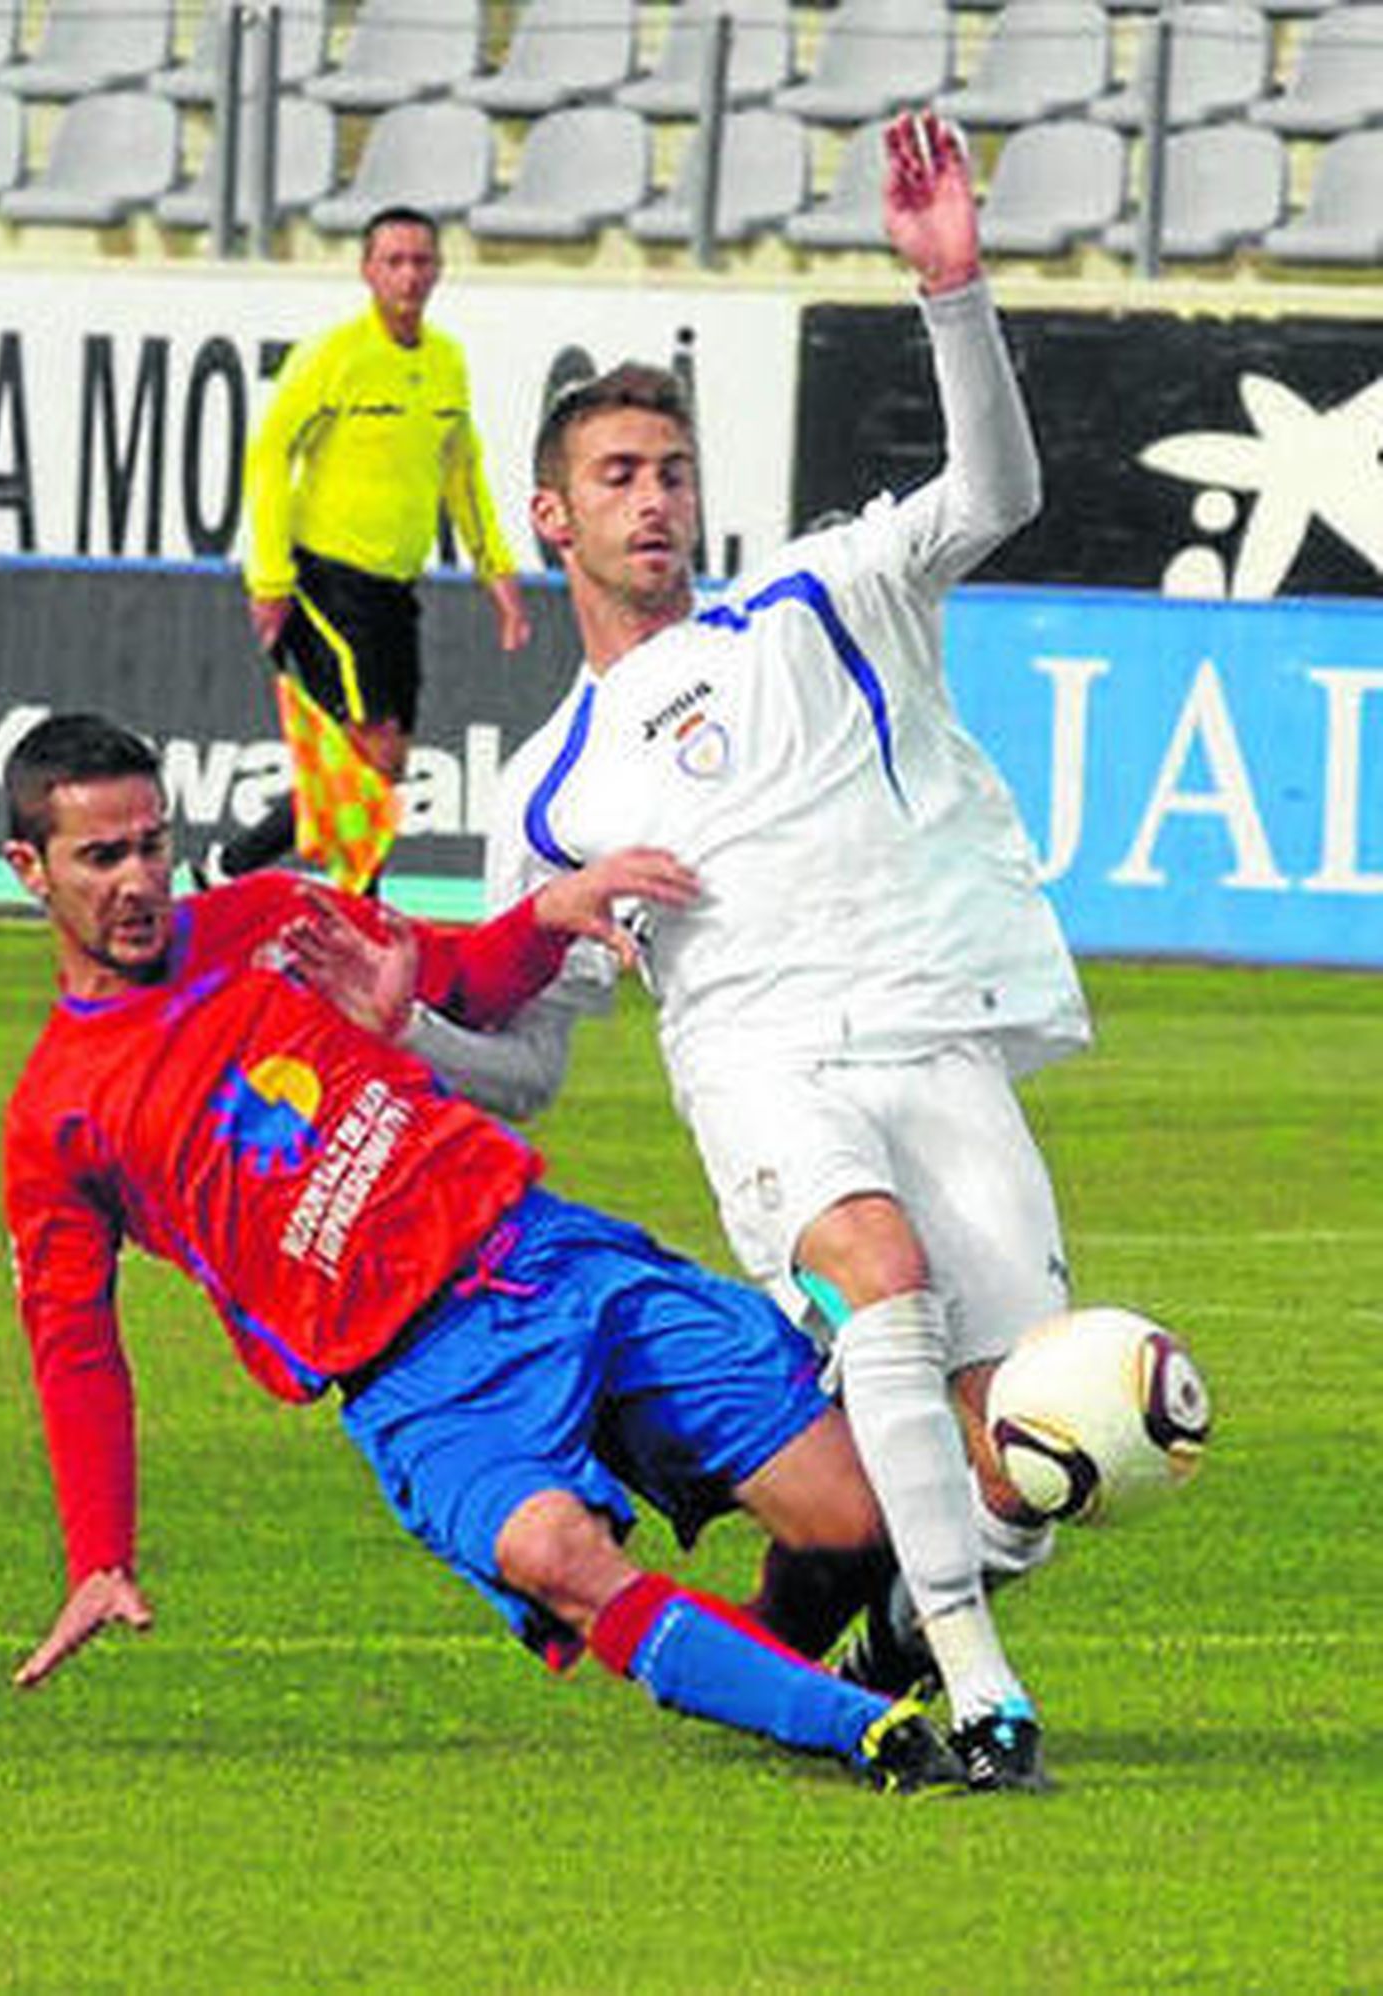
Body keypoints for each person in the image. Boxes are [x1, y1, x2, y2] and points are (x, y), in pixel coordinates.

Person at [397, 111, 1091, 1792]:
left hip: (933, 1032)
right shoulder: (550, 787)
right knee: (879, 1275)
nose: (654, 499)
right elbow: (527, 1060)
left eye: (672, 471)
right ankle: (984, 1694)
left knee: (1034, 1448)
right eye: (617, 477)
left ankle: (884, 1636)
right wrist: (401, 1012)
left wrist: (954, 293)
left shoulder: (818, 597)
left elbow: (998, 495)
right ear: (552, 517)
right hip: (763, 1066)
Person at [0, 710, 967, 1797]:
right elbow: (75, 1343)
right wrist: (100, 1553)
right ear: (30, 867)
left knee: (853, 1516)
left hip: (544, 1259)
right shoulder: (54, 1119)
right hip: (417, 1377)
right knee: (553, 1554)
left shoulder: (274, 917)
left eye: (152, 845)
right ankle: (866, 1730)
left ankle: (773, 1668)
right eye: (101, 857)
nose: (139, 881)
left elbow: (457, 976)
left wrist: (546, 916)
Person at [214, 204, 532, 881]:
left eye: (421, 261)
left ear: (439, 270)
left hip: (395, 588)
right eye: (394, 261)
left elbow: (462, 472)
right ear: (367, 271)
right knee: (373, 753)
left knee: (378, 766)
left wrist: (498, 576)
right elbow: (269, 454)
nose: (409, 275)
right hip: (327, 575)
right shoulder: (334, 355)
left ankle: (231, 869)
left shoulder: (445, 361)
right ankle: (351, 902)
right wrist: (268, 577)